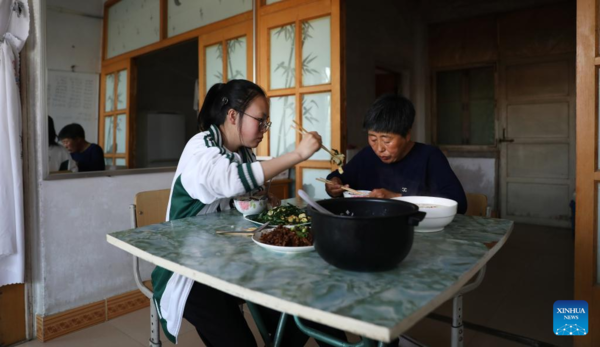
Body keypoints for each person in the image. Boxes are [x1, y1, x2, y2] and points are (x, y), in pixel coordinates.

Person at [152, 79, 347, 346]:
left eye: (266, 122)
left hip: (227, 260)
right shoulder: (202, 149)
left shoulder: (243, 153)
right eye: (261, 120)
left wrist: (260, 198)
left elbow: (237, 197)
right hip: (190, 271)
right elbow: (231, 180)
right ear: (233, 116)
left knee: (303, 301)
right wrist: (298, 154)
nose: (264, 129)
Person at [325, 94, 467, 214]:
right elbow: (336, 178)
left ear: (407, 135)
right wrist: (333, 186)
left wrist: (397, 198)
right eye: (373, 139)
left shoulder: (429, 157)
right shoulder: (367, 155)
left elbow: (459, 203)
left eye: (387, 140)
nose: (379, 148)